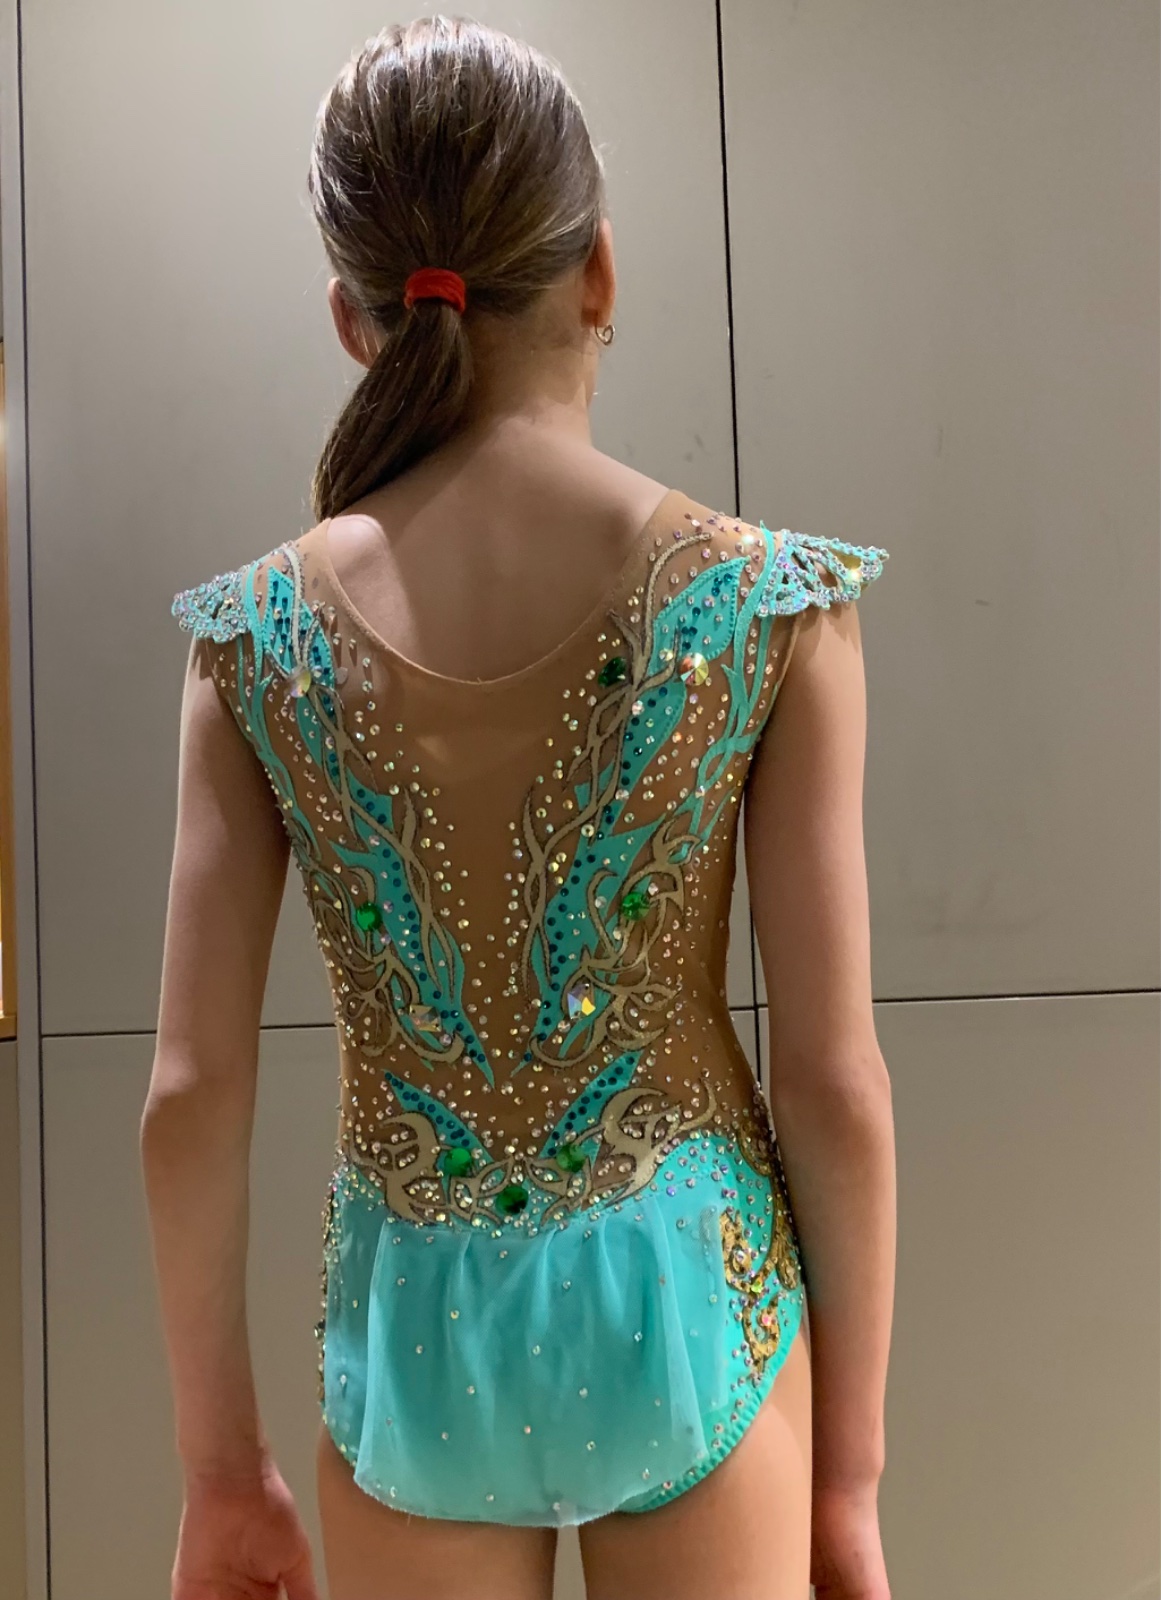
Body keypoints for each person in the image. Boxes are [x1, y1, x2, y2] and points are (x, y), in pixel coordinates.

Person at [141, 16, 896, 1600]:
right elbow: (831, 1082)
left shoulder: (251, 644)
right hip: (691, 1301)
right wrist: (849, 1485)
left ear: (351, 317)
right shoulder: (766, 607)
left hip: (414, 1329)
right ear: (597, 269)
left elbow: (191, 1097)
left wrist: (220, 1474)